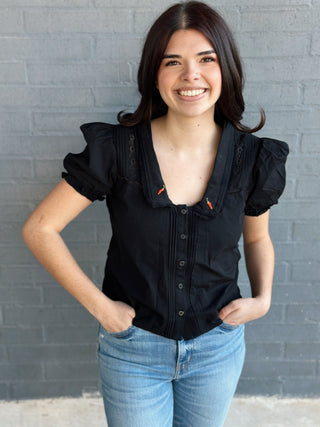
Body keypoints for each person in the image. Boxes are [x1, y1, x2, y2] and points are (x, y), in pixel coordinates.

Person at [22, 1, 289, 426]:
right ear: (154, 73)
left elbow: (256, 237)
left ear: (227, 69)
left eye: (207, 59)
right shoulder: (117, 151)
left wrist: (263, 299)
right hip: (133, 351)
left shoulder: (253, 159)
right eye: (173, 62)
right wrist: (103, 309)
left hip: (217, 348)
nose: (191, 76)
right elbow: (40, 228)